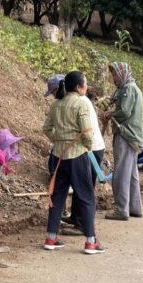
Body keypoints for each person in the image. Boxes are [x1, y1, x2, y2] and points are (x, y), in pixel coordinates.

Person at [42, 72, 102, 254]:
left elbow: (46, 129)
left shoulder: (56, 104)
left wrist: (59, 140)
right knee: (86, 197)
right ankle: (91, 241)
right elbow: (87, 132)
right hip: (77, 156)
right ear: (78, 87)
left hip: (59, 156)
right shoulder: (81, 103)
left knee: (57, 197)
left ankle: (51, 237)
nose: (87, 87)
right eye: (85, 84)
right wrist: (87, 147)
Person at [103, 61, 143, 220]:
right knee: (131, 173)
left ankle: (121, 210)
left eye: (115, 74)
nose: (114, 77)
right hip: (134, 136)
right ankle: (134, 207)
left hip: (125, 134)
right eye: (113, 74)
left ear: (123, 74)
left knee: (120, 173)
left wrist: (110, 114)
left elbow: (125, 111)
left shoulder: (128, 89)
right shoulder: (132, 88)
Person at [78, 82, 107, 189]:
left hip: (91, 147)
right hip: (95, 145)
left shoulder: (80, 101)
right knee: (89, 184)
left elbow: (86, 129)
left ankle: (89, 204)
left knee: (86, 185)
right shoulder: (84, 100)